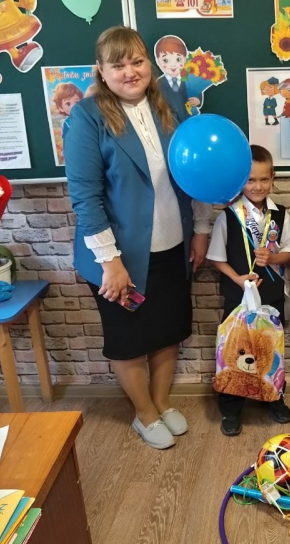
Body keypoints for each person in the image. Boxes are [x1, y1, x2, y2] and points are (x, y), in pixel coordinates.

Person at [65, 26, 212, 450]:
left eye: (137, 61)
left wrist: (201, 230)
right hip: (121, 257)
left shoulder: (172, 106)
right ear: (101, 70)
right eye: (118, 65)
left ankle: (162, 402)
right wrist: (110, 262)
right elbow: (86, 197)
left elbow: (197, 173)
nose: (130, 72)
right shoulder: (87, 117)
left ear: (150, 63)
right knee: (129, 340)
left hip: (173, 245)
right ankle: (144, 413)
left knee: (168, 329)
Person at [207, 145, 290, 436]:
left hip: (271, 297)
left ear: (272, 178)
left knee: (271, 350)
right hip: (238, 298)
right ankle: (231, 407)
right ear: (240, 181)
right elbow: (216, 258)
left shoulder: (280, 215)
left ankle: (273, 398)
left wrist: (273, 258)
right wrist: (236, 278)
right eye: (250, 180)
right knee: (234, 351)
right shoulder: (229, 216)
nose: (257, 186)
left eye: (263, 179)